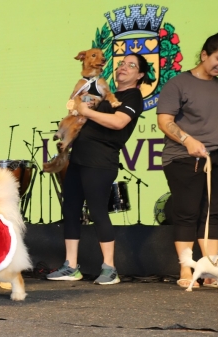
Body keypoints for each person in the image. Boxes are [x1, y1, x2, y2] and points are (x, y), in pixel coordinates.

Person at [46, 53, 152, 285]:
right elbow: (79, 107)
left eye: (131, 65)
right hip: (78, 159)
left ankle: (110, 268)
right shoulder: (104, 92)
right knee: (70, 210)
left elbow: (118, 122)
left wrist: (86, 112)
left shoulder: (133, 97)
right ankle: (71, 266)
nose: (123, 67)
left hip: (101, 162)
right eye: (121, 63)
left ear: (140, 75)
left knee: (97, 212)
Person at [157, 32, 218, 288]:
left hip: (215, 157)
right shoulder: (178, 83)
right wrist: (187, 140)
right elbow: (164, 121)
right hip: (184, 157)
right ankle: (186, 268)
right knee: (187, 213)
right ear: (204, 55)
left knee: (213, 213)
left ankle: (211, 269)